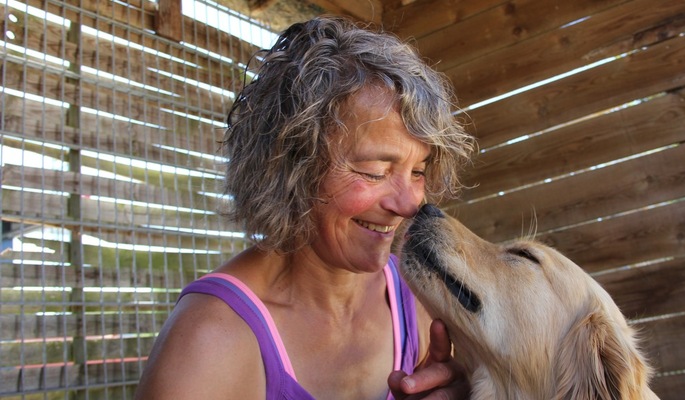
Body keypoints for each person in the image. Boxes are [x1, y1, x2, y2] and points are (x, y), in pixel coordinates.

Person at [135, 15, 476, 400]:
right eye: (374, 172)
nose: (411, 203)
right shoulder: (211, 340)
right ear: (289, 167)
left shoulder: (416, 300)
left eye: (417, 171)